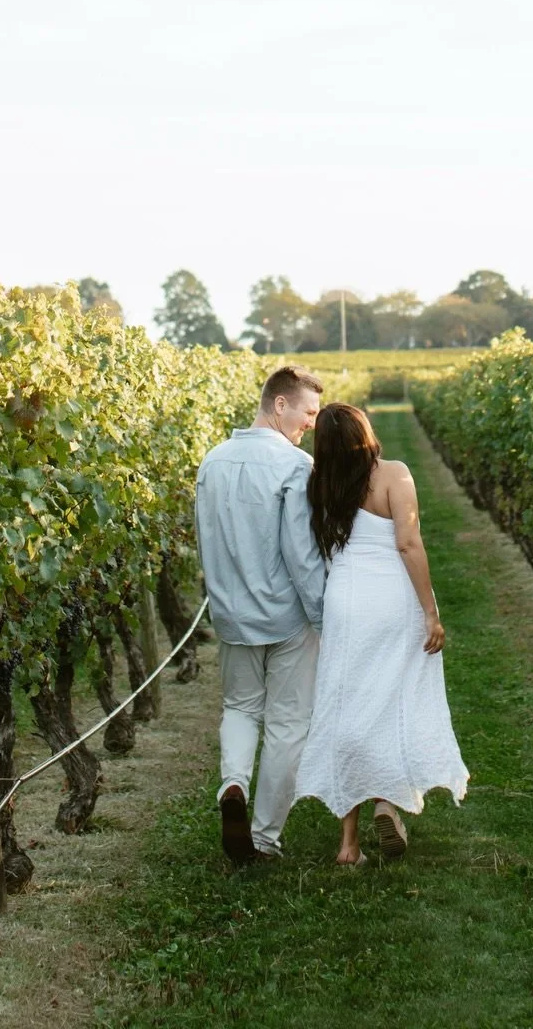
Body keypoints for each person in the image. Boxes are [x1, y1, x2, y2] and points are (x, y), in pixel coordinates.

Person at [293, 403, 468, 864]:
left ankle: (348, 844)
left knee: (345, 702)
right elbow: (408, 543)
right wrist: (430, 612)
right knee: (394, 698)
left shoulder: (320, 483)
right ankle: (387, 801)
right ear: (365, 431)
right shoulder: (393, 473)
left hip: (345, 598)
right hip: (391, 595)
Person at [194, 364, 325, 863]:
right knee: (289, 721)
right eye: (307, 412)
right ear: (280, 405)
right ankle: (266, 837)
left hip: (232, 612)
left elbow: (207, 541)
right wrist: (321, 617)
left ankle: (233, 785)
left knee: (240, 708)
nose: (311, 424)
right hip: (286, 614)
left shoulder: (212, 461)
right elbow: (301, 554)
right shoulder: (295, 466)